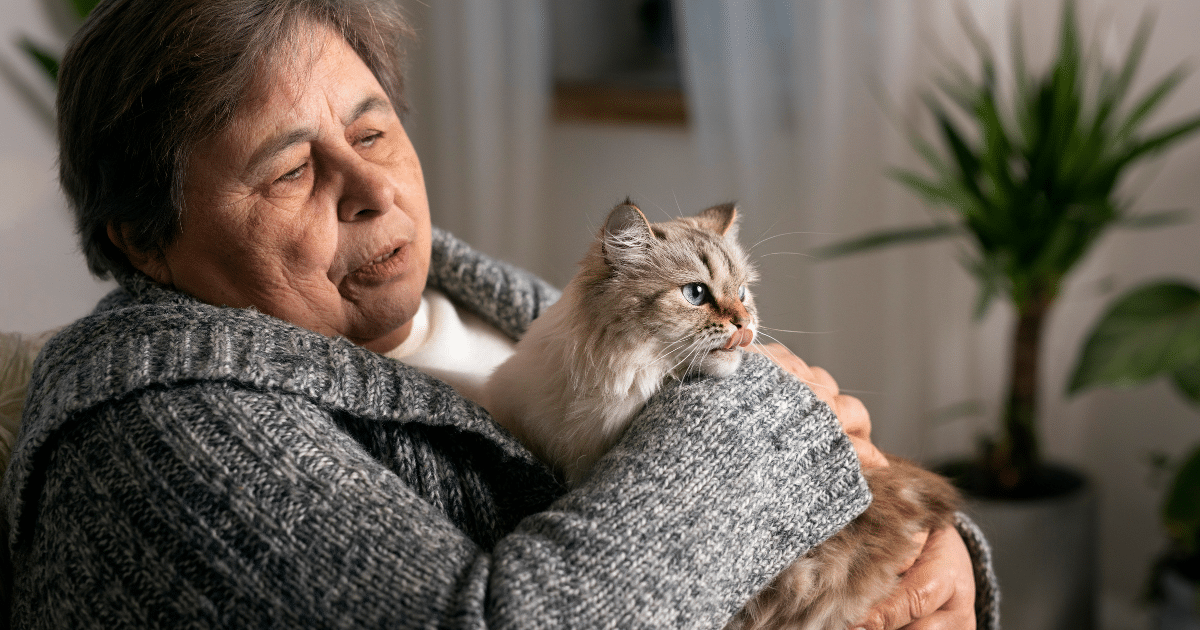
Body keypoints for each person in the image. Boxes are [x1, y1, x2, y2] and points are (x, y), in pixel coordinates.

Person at [0, 0, 998, 627]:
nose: (374, 190)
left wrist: (939, 564)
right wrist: (765, 425)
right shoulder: (154, 435)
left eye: (372, 133)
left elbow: (812, 491)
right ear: (146, 240)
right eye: (293, 170)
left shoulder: (495, 299)